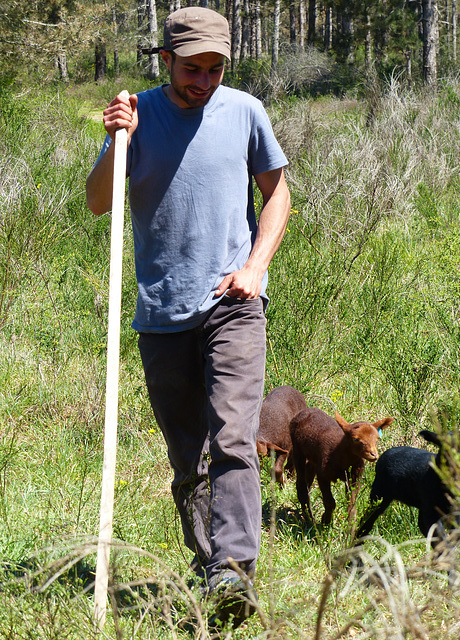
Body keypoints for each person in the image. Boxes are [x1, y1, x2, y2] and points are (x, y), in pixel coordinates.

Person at [86, 6, 290, 627]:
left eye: (215, 69)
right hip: (161, 313)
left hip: (233, 304)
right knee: (189, 459)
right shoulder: (138, 115)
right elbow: (98, 202)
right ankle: (211, 569)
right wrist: (115, 138)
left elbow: (277, 191)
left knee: (233, 436)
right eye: (191, 69)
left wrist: (255, 267)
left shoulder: (245, 111)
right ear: (166, 59)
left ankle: (234, 567)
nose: (203, 81)